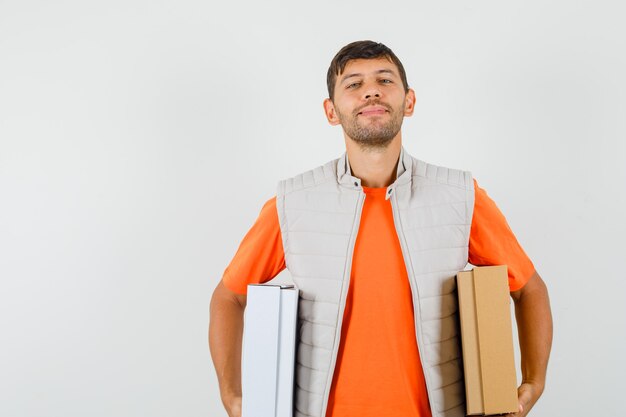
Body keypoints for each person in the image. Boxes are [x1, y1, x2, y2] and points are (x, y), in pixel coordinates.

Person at [209, 40, 552, 417]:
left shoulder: (460, 197)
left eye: (384, 80)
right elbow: (229, 297)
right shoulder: (293, 202)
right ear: (331, 111)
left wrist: (533, 383)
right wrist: (232, 395)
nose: (370, 90)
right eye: (353, 84)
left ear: (409, 101)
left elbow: (529, 288)